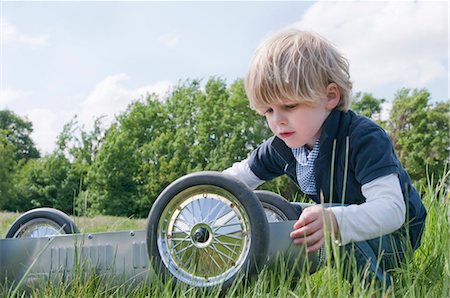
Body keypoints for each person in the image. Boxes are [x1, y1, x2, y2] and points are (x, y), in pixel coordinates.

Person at [223, 28, 426, 290]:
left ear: (330, 96)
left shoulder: (363, 137)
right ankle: (266, 286)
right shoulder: (281, 146)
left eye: (290, 106)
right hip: (339, 222)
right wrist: (197, 202)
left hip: (394, 237)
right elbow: (234, 183)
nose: (277, 120)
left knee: (318, 220)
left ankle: (377, 290)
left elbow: (392, 210)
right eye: (268, 110)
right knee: (272, 215)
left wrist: (336, 220)